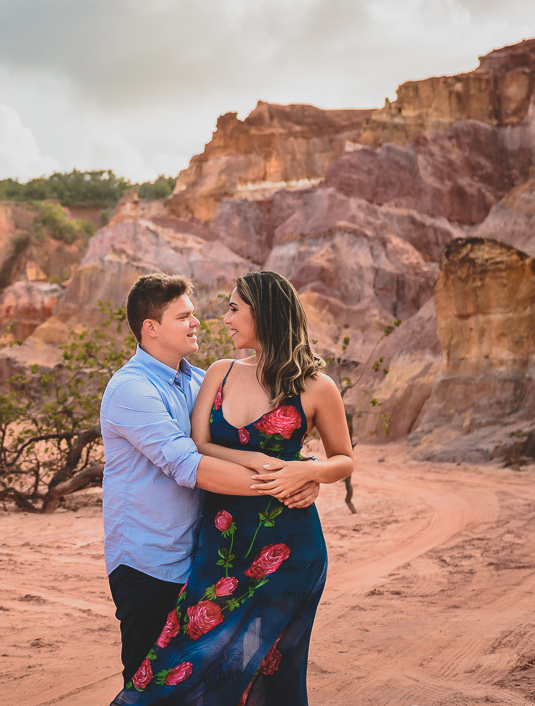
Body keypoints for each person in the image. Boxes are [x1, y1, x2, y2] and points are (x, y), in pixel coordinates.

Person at [110, 270, 354, 706]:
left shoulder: (199, 378)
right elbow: (192, 458)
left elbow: (340, 458)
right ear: (151, 328)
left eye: (232, 309)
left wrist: (308, 474)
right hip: (166, 558)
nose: (210, 321)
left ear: (264, 314)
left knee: (261, 672)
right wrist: (283, 479)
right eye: (184, 316)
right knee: (168, 676)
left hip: (272, 550)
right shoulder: (147, 387)